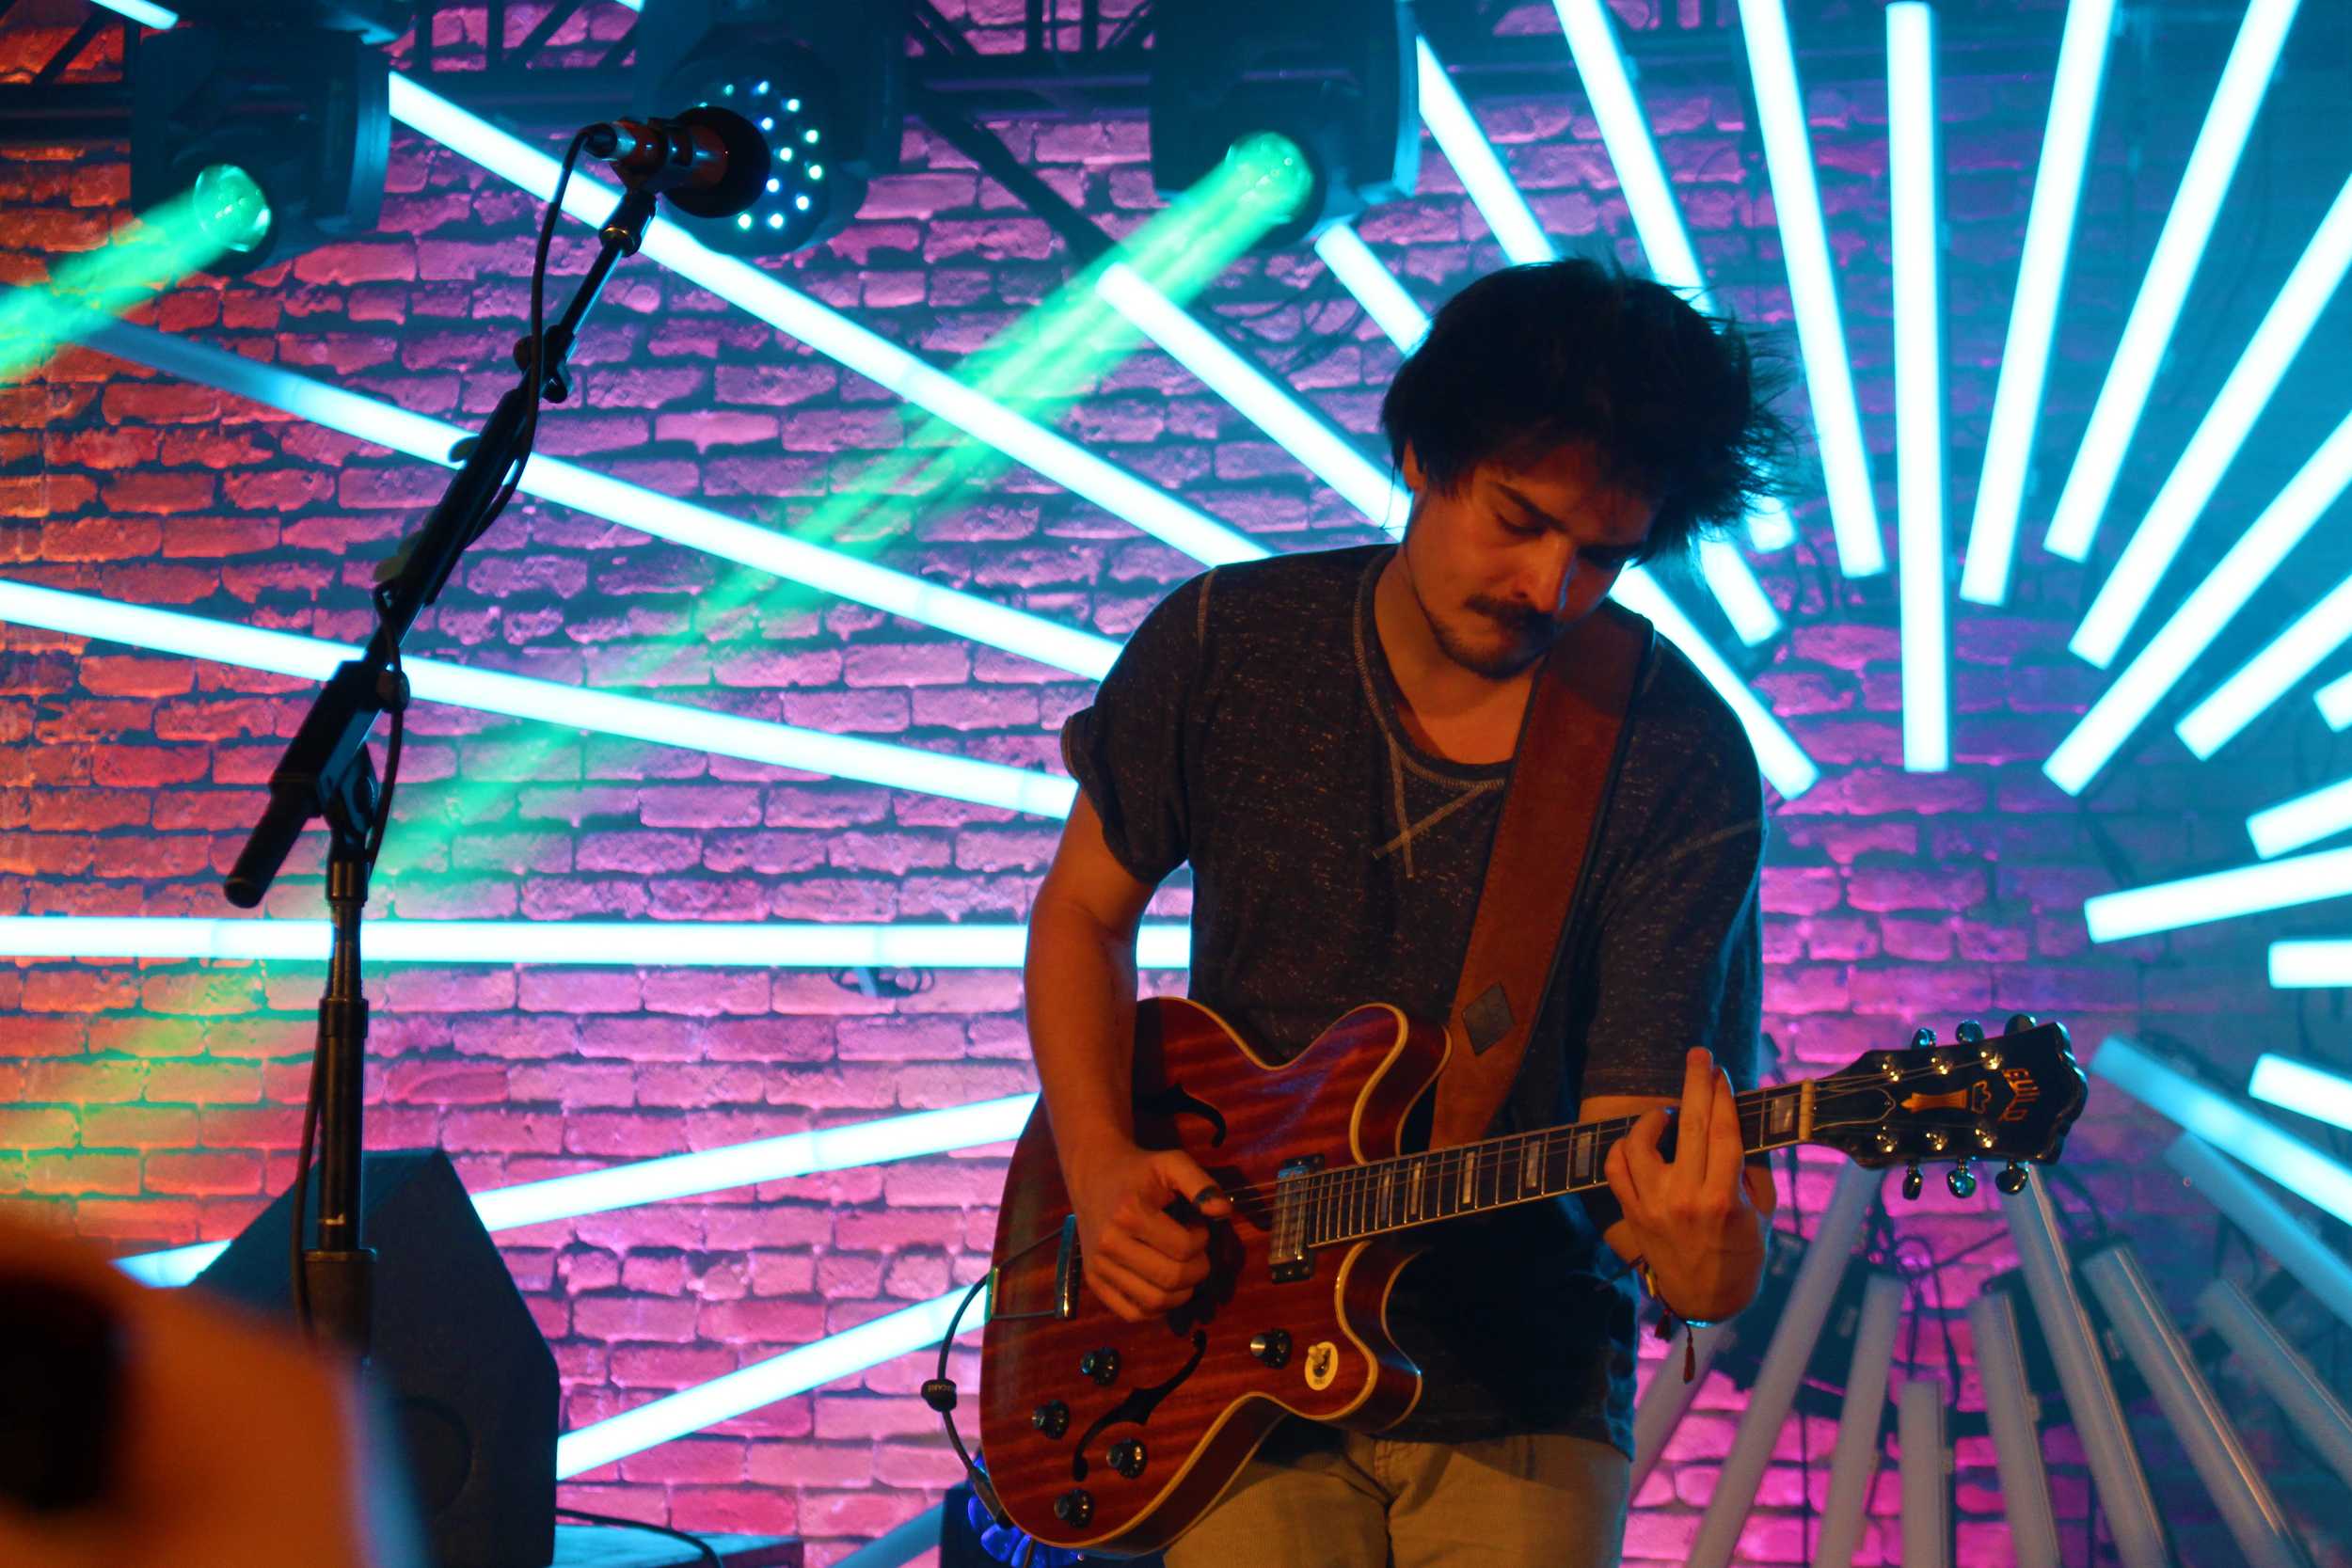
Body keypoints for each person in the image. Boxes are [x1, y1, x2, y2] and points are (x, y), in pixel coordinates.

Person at [1022, 258, 1789, 1567]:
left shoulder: (1674, 750)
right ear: (1423, 450)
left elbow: (1630, 1139)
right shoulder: (1227, 644)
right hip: (1221, 1359)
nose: (1549, 587)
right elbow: (1083, 916)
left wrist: (1707, 1268)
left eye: (1599, 555)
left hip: (1521, 1385)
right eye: (1520, 518)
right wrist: (1098, 1168)